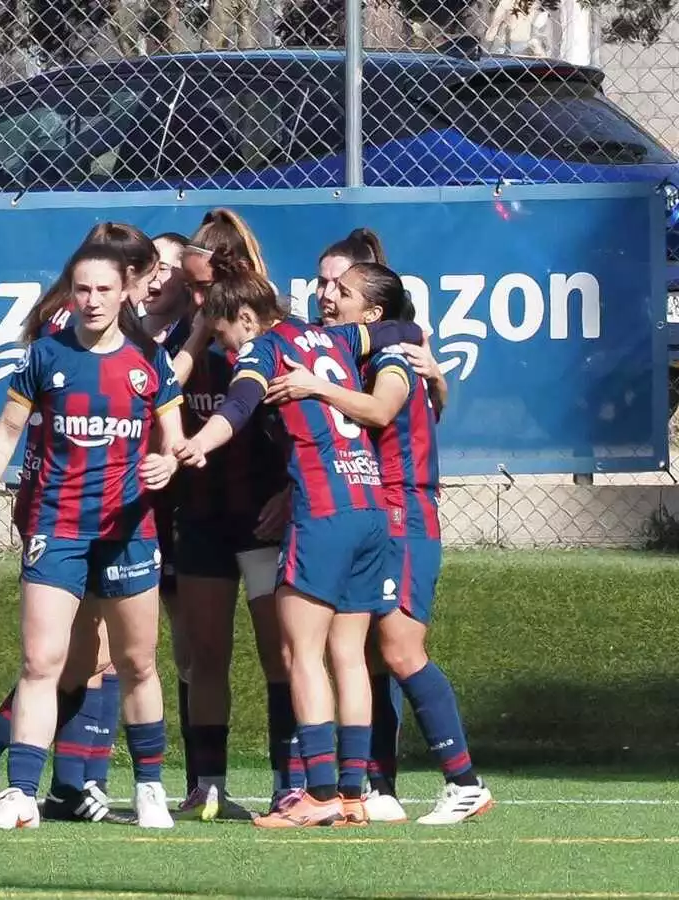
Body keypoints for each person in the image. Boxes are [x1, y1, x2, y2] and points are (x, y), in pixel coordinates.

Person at [175, 255, 424, 828]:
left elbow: (239, 405)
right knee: (348, 656)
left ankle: (318, 793)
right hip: (369, 504)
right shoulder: (335, 337)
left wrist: (199, 444)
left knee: (301, 654)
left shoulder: (263, 350)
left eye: (224, 335)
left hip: (323, 511)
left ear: (245, 318)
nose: (227, 349)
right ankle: (354, 793)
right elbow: (401, 330)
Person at [0, 241, 184, 830]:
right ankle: (21, 793)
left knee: (136, 662)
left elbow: (174, 440)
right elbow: (7, 431)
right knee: (41, 660)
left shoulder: (149, 360)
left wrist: (167, 463)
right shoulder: (46, 354)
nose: (92, 300)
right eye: (82, 289)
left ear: (125, 290)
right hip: (56, 527)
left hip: (128, 530)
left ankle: (150, 788)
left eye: (104, 289)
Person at [267, 262, 494, 825]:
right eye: (324, 285)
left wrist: (315, 385)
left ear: (372, 313)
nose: (326, 296)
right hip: (376, 510)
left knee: (400, 651)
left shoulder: (389, 357)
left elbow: (382, 408)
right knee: (365, 653)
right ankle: (373, 785)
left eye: (340, 291)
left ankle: (464, 782)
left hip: (403, 513)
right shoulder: (361, 356)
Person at [169, 211, 291, 822]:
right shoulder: (187, 341)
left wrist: (291, 492)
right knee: (204, 654)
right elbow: (159, 392)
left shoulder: (275, 340)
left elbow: (315, 433)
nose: (193, 299)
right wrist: (194, 337)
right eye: (188, 288)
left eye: (201, 287)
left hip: (262, 516)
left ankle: (289, 782)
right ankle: (207, 783)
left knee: (281, 654)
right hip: (201, 514)